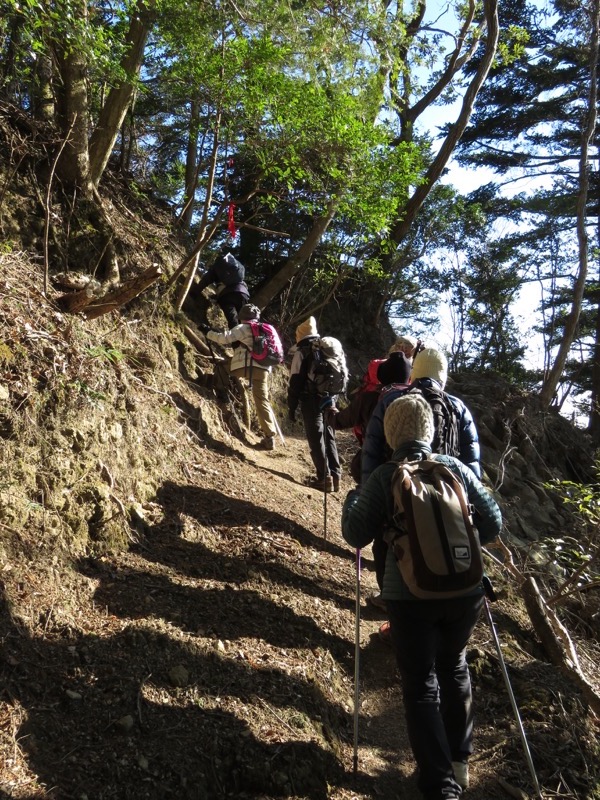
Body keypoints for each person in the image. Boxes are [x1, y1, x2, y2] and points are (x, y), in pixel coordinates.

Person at [342, 394, 502, 800]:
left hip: (408, 595)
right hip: (465, 591)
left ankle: (439, 784)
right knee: (455, 665)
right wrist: (464, 546)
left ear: (392, 433)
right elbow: (494, 522)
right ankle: (460, 762)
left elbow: (355, 535)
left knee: (420, 684)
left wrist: (352, 499)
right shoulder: (456, 469)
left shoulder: (384, 475)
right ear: (430, 432)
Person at [361, 346, 481, 623]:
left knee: (391, 550)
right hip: (447, 498)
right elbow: (471, 466)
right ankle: (439, 614)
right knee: (440, 548)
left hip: (396, 491)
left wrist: (371, 494)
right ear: (443, 375)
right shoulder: (458, 408)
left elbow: (372, 449)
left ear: (414, 373)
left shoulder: (394, 399)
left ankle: (395, 616)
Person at [203, 304, 278, 450]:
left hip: (245, 366)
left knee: (221, 367)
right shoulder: (268, 329)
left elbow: (224, 339)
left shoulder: (243, 327)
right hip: (264, 369)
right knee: (262, 400)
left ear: (242, 316)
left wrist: (207, 332)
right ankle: (269, 437)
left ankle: (221, 395)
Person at [287, 316, 342, 493]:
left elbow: (295, 381)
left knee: (316, 436)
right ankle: (336, 477)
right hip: (330, 398)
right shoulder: (328, 348)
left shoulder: (302, 351)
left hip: (310, 399)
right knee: (329, 434)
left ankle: (323, 477)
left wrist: (291, 406)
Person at [197, 252, 250, 329]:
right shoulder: (235, 272)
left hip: (227, 296)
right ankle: (244, 339)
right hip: (243, 293)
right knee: (244, 321)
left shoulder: (218, 268)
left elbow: (205, 281)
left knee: (232, 319)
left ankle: (235, 339)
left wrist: (193, 292)